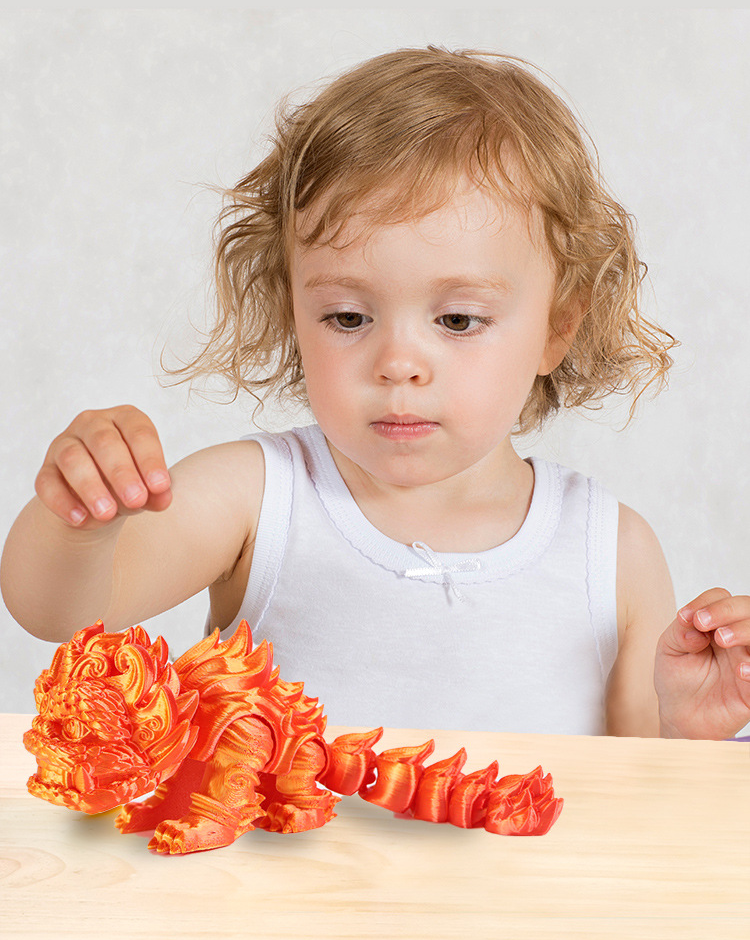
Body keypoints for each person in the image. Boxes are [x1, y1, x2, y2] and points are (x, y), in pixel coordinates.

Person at [2, 47, 749, 740]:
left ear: (557, 327)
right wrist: (80, 522)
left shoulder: (609, 550)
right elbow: (59, 614)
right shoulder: (258, 499)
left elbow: (636, 786)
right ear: (294, 313)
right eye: (348, 318)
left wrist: (689, 734)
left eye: (457, 320)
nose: (397, 364)